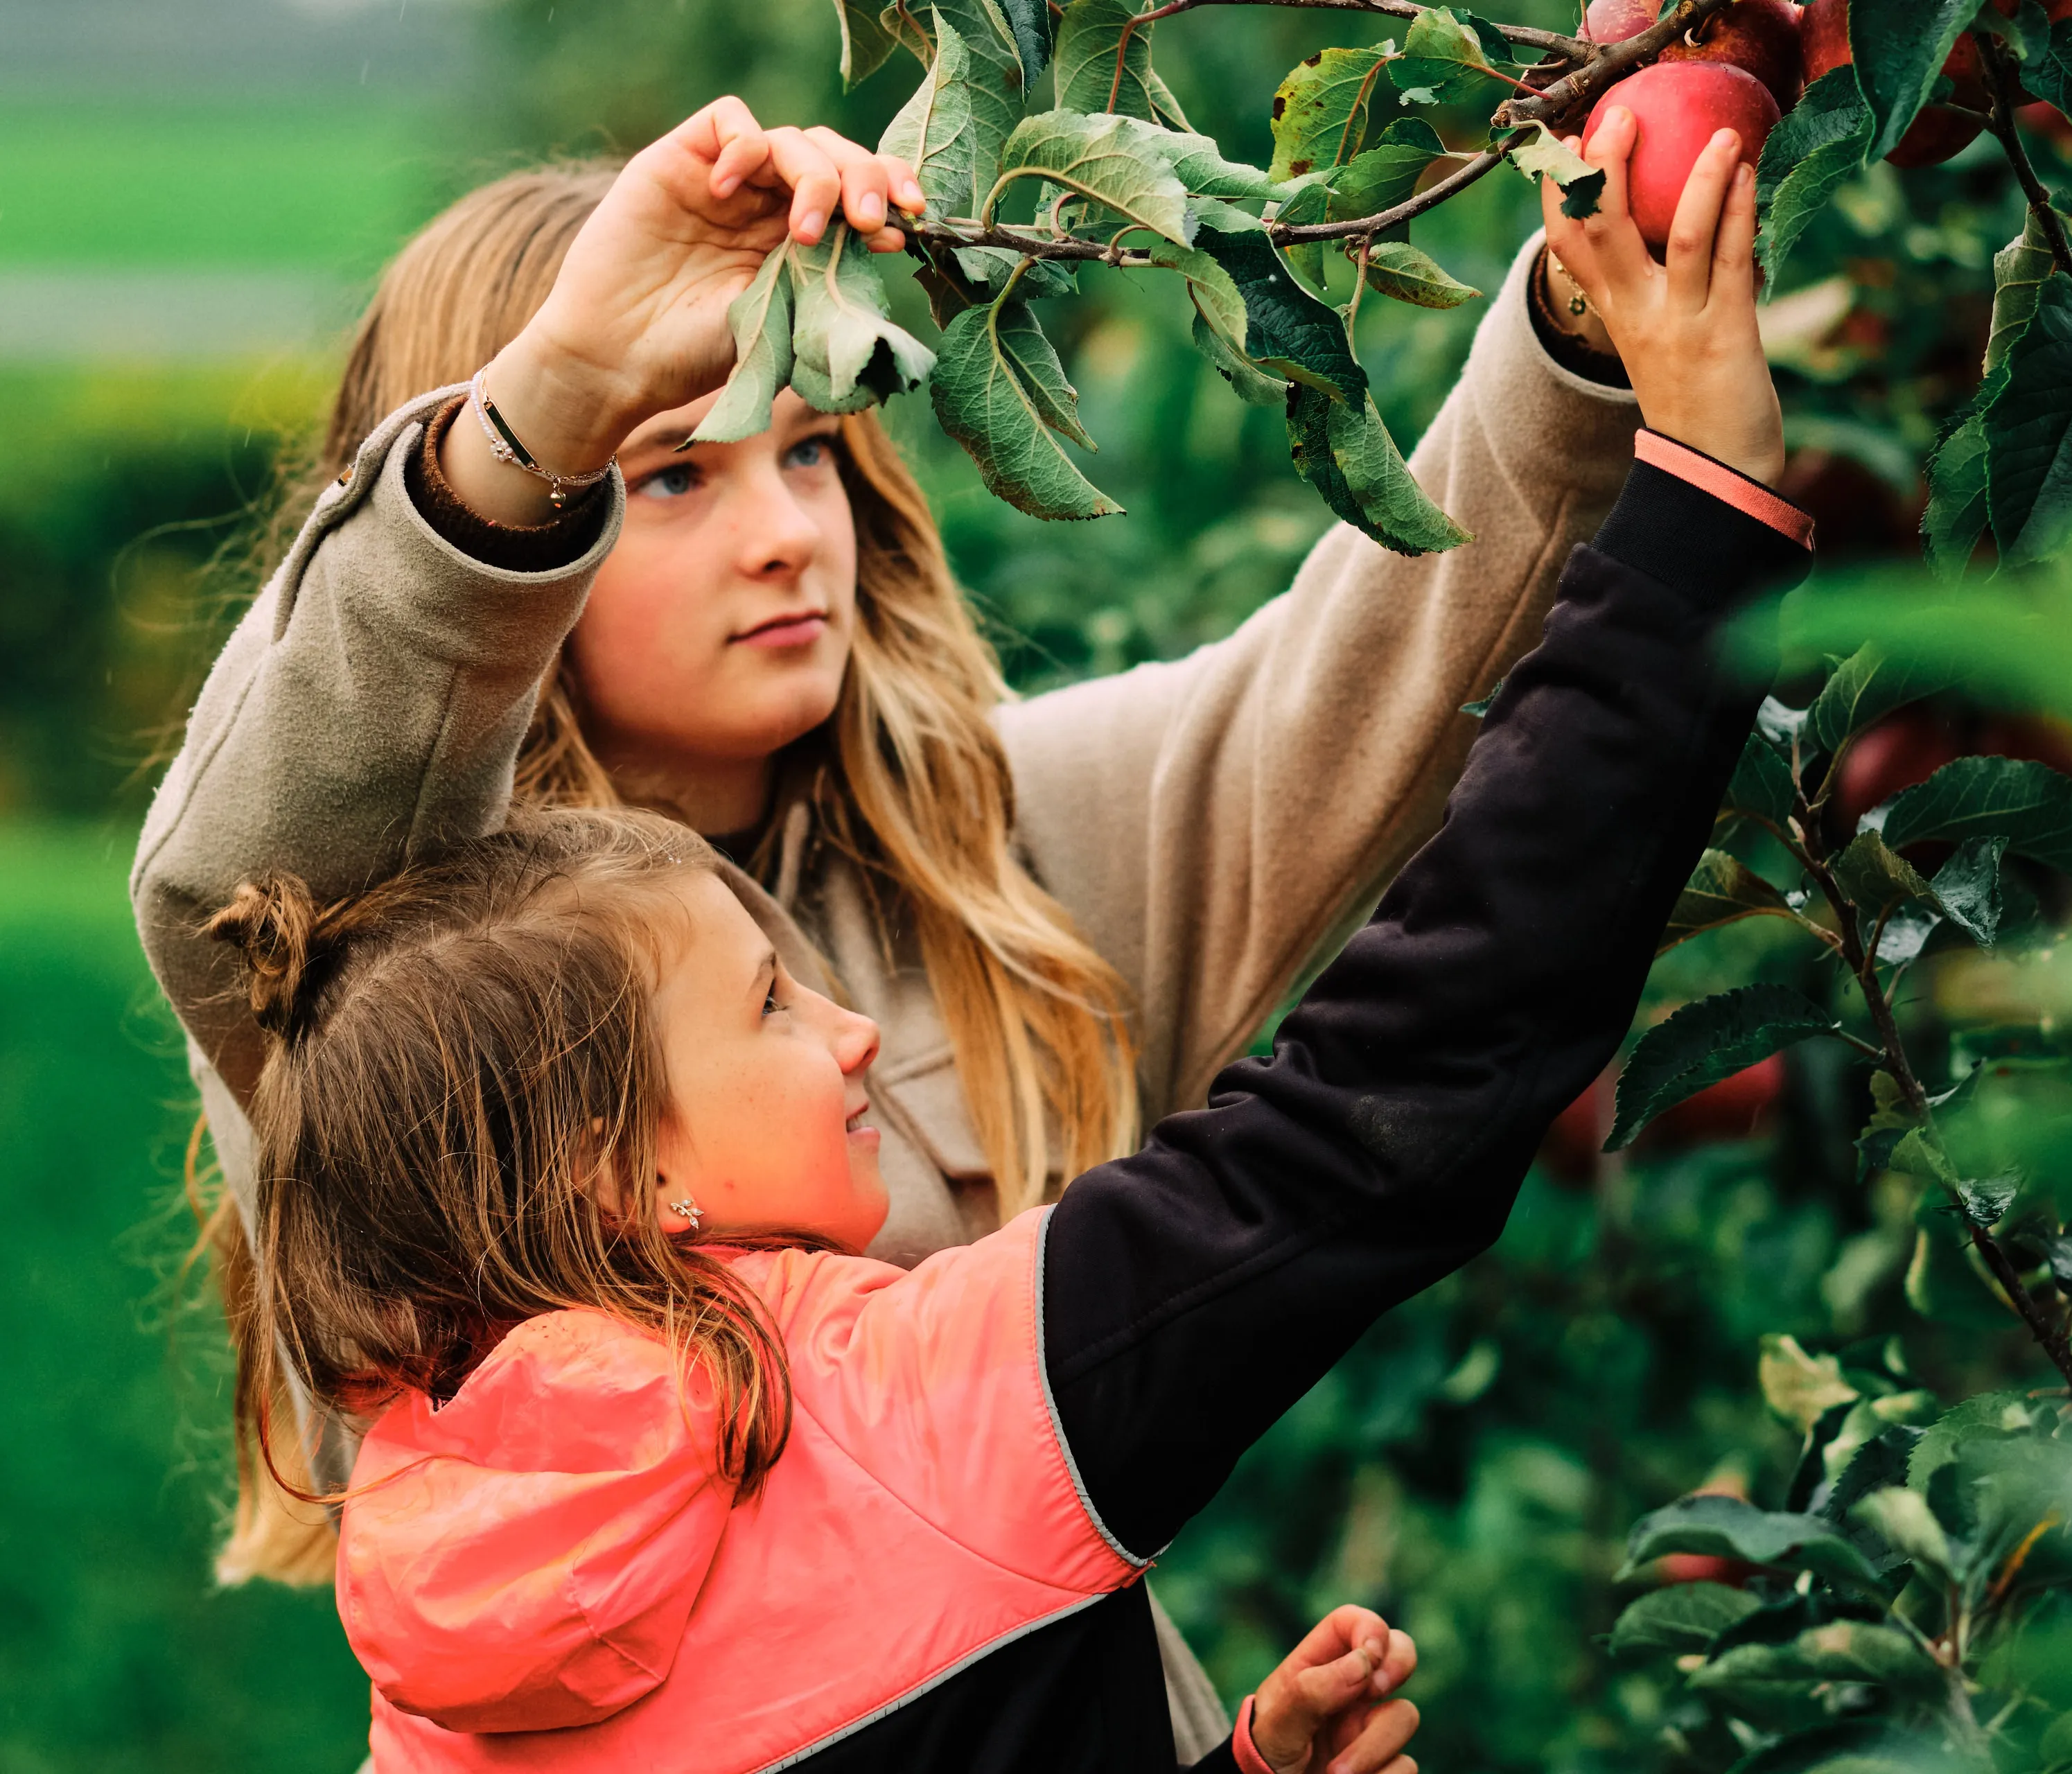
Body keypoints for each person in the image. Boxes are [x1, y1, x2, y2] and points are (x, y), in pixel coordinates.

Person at [203, 112, 1805, 1773]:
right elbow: (250, 852)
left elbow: (1375, 675)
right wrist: (554, 397)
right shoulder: (393, 1006)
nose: (785, 533)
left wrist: (1586, 305)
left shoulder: (1005, 864)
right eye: (673, 468)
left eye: (810, 448)